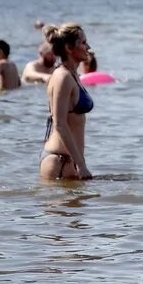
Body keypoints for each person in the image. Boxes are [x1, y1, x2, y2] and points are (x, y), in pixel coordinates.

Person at [40, 23, 95, 180]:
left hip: (70, 163)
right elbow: (60, 124)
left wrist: (80, 163)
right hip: (59, 163)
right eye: (83, 43)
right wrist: (81, 165)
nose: (88, 47)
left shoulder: (73, 75)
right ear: (69, 48)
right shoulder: (62, 77)